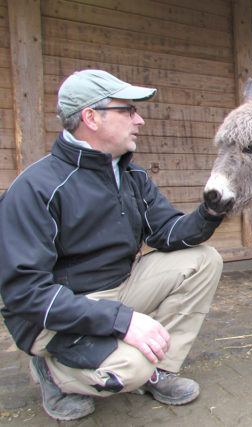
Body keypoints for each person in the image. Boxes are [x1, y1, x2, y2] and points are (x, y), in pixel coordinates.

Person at [0, 70, 226, 421]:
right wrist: (123, 322)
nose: (140, 119)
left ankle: (160, 371)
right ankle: (51, 373)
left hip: (120, 288)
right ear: (91, 117)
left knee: (204, 260)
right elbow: (26, 294)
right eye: (128, 110)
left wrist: (210, 212)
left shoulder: (130, 175)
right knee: (130, 367)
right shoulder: (35, 188)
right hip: (58, 312)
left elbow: (165, 231)